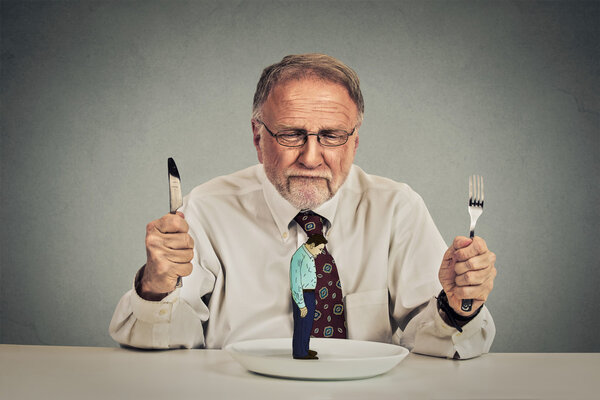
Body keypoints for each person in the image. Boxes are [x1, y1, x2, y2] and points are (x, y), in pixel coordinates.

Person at [109, 53, 497, 359]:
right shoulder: (209, 209)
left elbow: (437, 341)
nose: (311, 158)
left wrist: (458, 306)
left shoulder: (397, 208)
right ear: (258, 136)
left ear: (354, 142)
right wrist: (156, 287)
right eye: (293, 134)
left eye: (331, 136)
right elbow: (160, 341)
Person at [290, 234, 327, 360]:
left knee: (307, 324)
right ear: (312, 245)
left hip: (309, 293)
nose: (320, 252)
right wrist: (301, 304)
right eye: (320, 249)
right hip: (303, 294)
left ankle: (304, 349)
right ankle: (300, 352)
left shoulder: (308, 255)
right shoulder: (298, 257)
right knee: (301, 324)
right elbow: (295, 283)